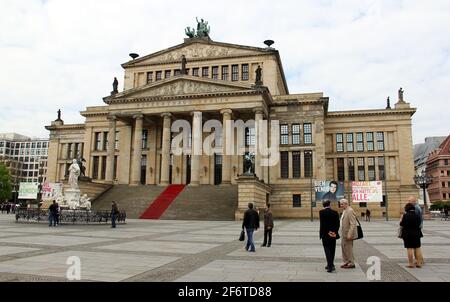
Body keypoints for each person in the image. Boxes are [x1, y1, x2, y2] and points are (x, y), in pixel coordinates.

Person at [319, 200, 340, 273]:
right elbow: (337, 224)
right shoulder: (335, 212)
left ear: (323, 205)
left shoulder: (321, 212)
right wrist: (334, 232)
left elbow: (322, 224)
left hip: (325, 234)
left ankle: (330, 265)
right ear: (329, 205)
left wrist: (321, 234)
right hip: (333, 234)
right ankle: (331, 264)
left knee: (326, 249)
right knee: (332, 249)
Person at [400, 203, 423, 268]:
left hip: (407, 233)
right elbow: (419, 224)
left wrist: (401, 219)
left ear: (407, 208)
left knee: (409, 248)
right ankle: (419, 263)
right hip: (417, 233)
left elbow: (402, 224)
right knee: (417, 247)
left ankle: (411, 263)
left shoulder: (405, 215)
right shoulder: (417, 215)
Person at [339, 199, 358, 269]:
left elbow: (353, 224)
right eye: (340, 204)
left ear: (346, 204)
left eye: (342, 204)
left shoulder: (350, 211)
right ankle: (346, 261)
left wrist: (350, 234)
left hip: (348, 234)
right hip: (344, 233)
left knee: (348, 248)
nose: (340, 206)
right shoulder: (345, 210)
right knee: (344, 248)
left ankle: (351, 263)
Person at [408, 196, 424, 266]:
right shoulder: (416, 207)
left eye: (409, 201)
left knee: (416, 246)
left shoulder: (416, 208)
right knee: (416, 246)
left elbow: (416, 219)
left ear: (414, 201)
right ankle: (419, 260)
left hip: (415, 228)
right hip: (417, 228)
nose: (408, 202)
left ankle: (419, 261)